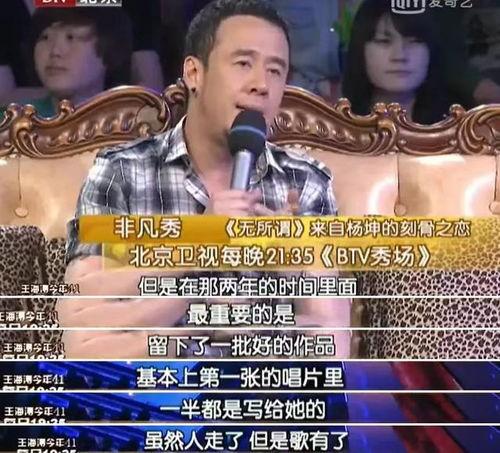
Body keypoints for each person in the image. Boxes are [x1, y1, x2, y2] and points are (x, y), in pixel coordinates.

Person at [57, 0, 351, 359]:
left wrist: (298, 270)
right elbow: (82, 334)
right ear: (194, 73)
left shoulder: (305, 182)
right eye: (243, 63)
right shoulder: (122, 173)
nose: (262, 85)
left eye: (276, 71)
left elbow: (332, 351)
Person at [342, 0, 453, 124]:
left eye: (414, 41)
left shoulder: (458, 125)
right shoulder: (336, 125)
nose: (400, 55)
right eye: (384, 41)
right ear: (360, 49)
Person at [9, 8, 133, 118]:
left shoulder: (132, 121)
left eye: (70, 37)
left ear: (110, 48)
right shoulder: (13, 120)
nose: (55, 51)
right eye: (45, 37)